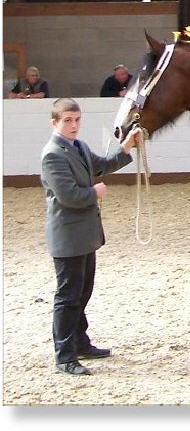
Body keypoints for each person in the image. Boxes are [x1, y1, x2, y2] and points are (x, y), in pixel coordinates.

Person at [41, 98, 142, 375]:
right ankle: (64, 355)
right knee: (68, 296)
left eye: (76, 120)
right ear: (55, 123)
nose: (74, 126)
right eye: (67, 121)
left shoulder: (79, 147)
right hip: (68, 235)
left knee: (82, 292)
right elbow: (69, 196)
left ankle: (80, 341)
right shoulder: (53, 154)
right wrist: (94, 193)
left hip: (83, 234)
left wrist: (127, 146)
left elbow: (103, 165)